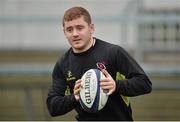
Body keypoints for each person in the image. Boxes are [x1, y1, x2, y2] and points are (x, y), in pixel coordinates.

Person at [46, 6, 152, 121]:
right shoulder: (63, 65)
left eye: (80, 28)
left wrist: (116, 85)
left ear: (91, 28)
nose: (75, 34)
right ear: (64, 32)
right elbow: (53, 107)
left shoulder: (113, 53)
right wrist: (74, 97)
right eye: (69, 29)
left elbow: (144, 83)